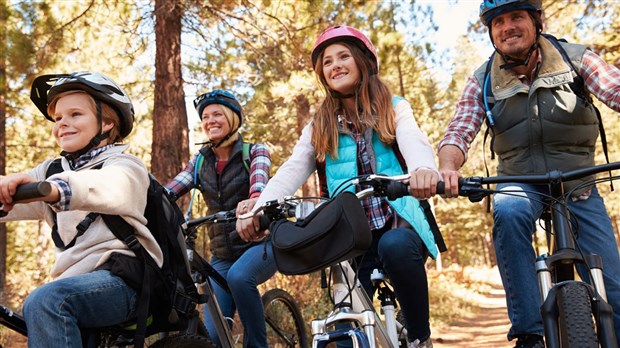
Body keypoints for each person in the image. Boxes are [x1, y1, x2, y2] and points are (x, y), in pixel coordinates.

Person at [236, 25, 441, 348]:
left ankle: (420, 336)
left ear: (363, 62)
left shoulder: (394, 106)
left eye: (343, 56)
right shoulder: (320, 125)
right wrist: (261, 205)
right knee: (345, 325)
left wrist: (423, 170)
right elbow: (293, 168)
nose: (335, 65)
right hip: (349, 236)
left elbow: (414, 140)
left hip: (398, 221)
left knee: (396, 247)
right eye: (328, 62)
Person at [437, 1, 620, 347]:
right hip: (521, 183)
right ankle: (529, 332)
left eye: (516, 17)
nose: (508, 27)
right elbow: (458, 131)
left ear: (536, 22)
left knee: (616, 294)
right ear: (491, 32)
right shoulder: (482, 79)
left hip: (580, 182)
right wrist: (448, 168)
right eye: (499, 22)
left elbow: (614, 88)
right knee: (507, 209)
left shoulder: (576, 58)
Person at [0, 71, 161, 347]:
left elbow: (106, 186)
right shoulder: (51, 170)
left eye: (75, 114)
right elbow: (10, 203)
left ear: (108, 122)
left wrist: (53, 189)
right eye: (58, 117)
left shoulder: (125, 165)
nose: (63, 123)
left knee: (48, 301)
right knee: (49, 300)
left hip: (125, 281)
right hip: (75, 284)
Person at [165, 89, 274, 348]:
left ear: (233, 119)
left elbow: (259, 183)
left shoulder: (255, 152)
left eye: (217, 114)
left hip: (262, 245)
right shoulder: (200, 162)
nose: (210, 120)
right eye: (205, 116)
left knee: (239, 277)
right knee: (214, 337)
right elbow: (170, 190)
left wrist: (253, 201)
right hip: (222, 255)